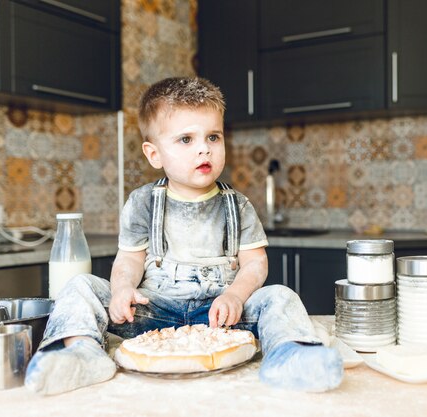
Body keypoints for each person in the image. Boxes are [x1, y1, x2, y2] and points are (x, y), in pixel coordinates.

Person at [24, 77, 343, 395]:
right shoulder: (142, 202)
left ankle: (288, 357)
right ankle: (83, 354)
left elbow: (255, 263)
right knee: (81, 286)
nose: (204, 148)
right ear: (154, 155)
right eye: (186, 139)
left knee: (280, 297)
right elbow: (130, 260)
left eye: (213, 137)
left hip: (220, 316)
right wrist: (122, 289)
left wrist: (235, 296)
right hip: (153, 311)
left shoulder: (238, 205)